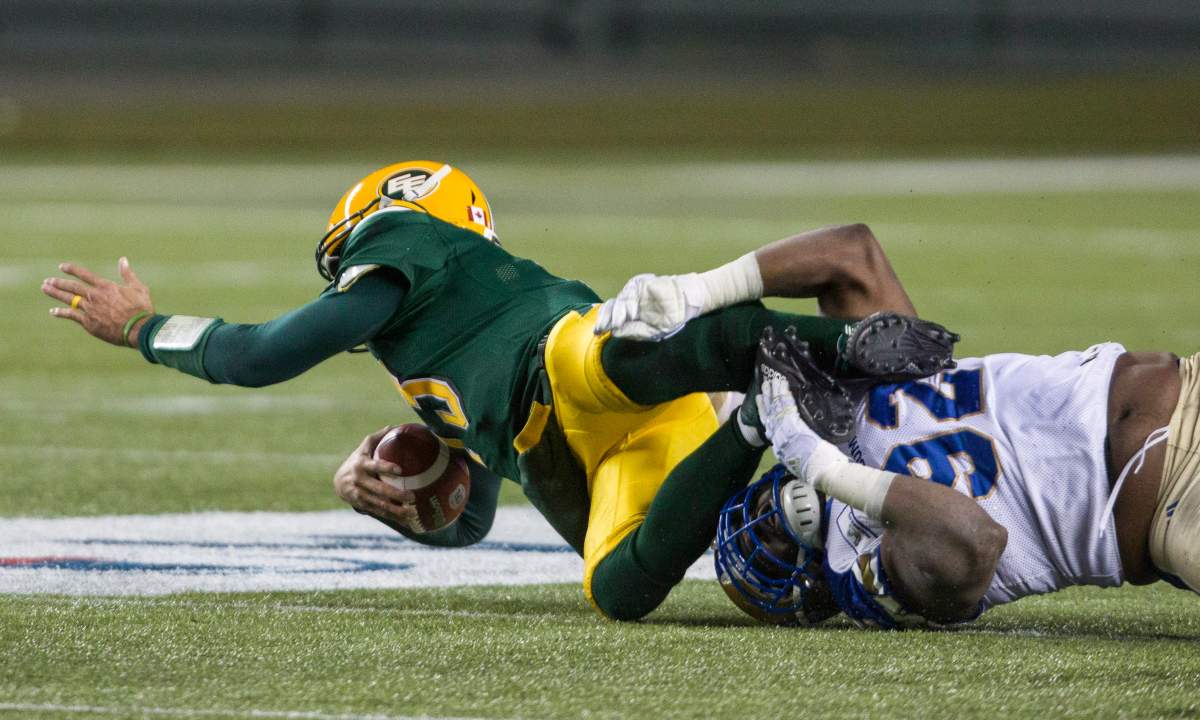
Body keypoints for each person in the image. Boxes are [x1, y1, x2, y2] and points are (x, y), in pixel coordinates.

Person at [41, 161, 957, 620]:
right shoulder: (425, 359)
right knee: (618, 590)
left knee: (621, 359)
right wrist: (394, 499)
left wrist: (142, 329)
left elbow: (264, 355)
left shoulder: (409, 245)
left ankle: (848, 346)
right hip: (611, 453)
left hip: (566, 360)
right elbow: (471, 516)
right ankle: (761, 416)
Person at [601, 224, 1198, 628]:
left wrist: (696, 291)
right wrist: (826, 471)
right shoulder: (859, 567)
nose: (770, 521)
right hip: (1172, 502)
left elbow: (852, 254)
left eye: (756, 516)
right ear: (807, 585)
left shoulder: (830, 409)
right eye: (774, 547)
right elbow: (975, 540)